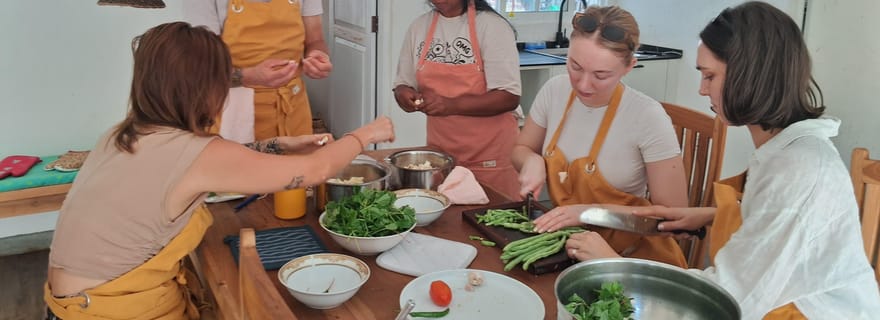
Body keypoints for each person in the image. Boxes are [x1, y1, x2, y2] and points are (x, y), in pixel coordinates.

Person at [43, 22, 394, 319]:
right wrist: (366, 134)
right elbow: (316, 169)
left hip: (68, 304)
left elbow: (201, 165)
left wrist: (279, 145)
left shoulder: (123, 134)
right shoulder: (198, 155)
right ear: (205, 90)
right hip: (111, 310)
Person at [563, 2, 880, 318]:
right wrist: (710, 215)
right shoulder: (786, 151)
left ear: (750, 77)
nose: (702, 90)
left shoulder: (798, 172)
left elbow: (726, 301)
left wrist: (610, 265)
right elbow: (777, 226)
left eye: (710, 76)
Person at [518, 6, 690, 267]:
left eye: (601, 75)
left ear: (629, 66)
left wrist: (587, 213)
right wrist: (532, 160)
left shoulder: (648, 117)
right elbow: (521, 148)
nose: (583, 84)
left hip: (629, 259)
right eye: (575, 66)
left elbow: (674, 218)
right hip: (566, 248)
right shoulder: (554, 91)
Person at [393, 0, 522, 199]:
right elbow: (403, 83)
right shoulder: (419, 27)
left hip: (490, 157)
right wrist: (403, 94)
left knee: (494, 214)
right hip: (441, 156)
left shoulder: (492, 26)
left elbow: (508, 97)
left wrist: (451, 105)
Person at [184, 0, 333, 140]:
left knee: (298, 157)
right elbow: (202, 66)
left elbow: (315, 40)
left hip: (293, 106)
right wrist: (246, 76)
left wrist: (318, 56)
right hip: (232, 110)